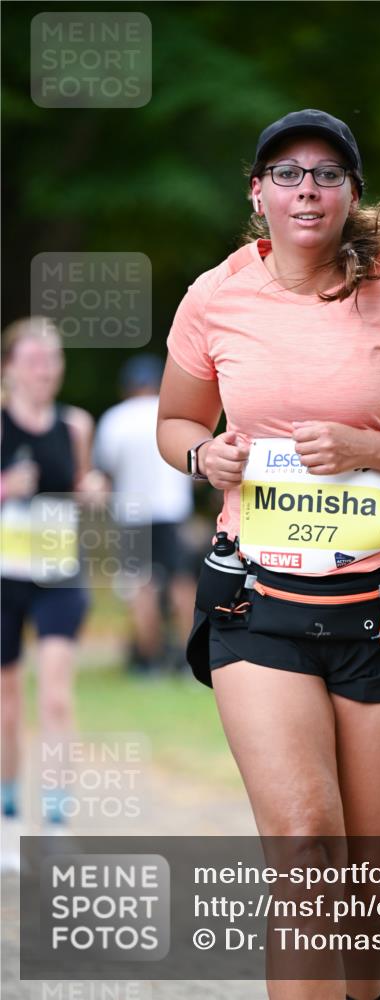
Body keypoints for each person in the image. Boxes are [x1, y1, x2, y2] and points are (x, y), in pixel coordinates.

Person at [157, 110, 380, 1000]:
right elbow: (176, 422)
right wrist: (205, 455)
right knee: (307, 847)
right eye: (285, 173)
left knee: (365, 878)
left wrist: (369, 450)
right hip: (258, 603)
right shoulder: (216, 296)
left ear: (351, 194)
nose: (304, 189)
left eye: (325, 174)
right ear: (256, 192)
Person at [0, 316, 103, 868]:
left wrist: (92, 489)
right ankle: (8, 811)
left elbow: (85, 485)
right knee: (7, 701)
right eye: (34, 358)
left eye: (53, 358)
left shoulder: (76, 425)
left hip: (59, 573)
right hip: (3, 577)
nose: (46, 368)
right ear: (9, 367)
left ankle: (57, 819)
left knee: (57, 696)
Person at [93, 354, 198, 675]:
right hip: (172, 509)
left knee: (141, 585)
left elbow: (105, 471)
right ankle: (186, 658)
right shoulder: (175, 416)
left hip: (132, 512)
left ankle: (149, 661)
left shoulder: (116, 419)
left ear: (127, 387)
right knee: (182, 583)